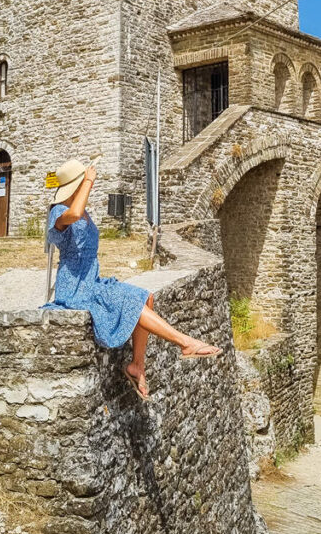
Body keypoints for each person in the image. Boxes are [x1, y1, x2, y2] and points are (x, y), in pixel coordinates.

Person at [42, 158, 221, 401]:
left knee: (146, 297)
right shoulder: (59, 213)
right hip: (74, 287)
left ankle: (137, 366)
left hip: (91, 280)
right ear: (76, 185)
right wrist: (89, 181)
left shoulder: (83, 210)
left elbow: (80, 214)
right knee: (132, 303)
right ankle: (185, 342)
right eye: (82, 181)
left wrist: (85, 185)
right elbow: (73, 214)